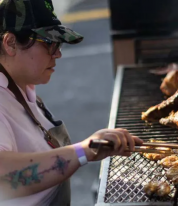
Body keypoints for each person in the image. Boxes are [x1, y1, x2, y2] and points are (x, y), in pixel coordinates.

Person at [0, 0, 143, 205]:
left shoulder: (22, 86)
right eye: (49, 43)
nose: (58, 53)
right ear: (10, 43)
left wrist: (90, 148)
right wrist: (82, 151)